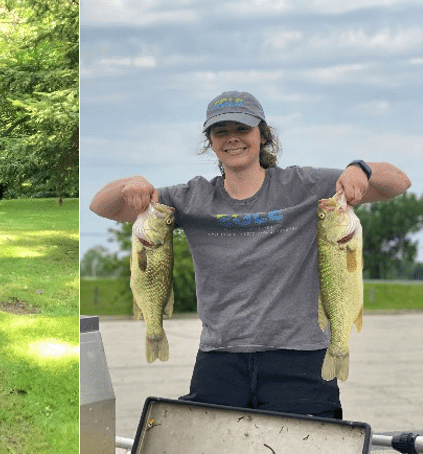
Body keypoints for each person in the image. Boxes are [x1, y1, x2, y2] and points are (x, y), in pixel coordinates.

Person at [89, 91, 411, 419]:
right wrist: (133, 182)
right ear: (211, 143)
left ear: (263, 135)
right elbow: (101, 206)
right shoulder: (192, 197)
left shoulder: (306, 185)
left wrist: (361, 169)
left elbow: (398, 183)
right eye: (220, 132)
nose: (232, 139)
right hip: (220, 359)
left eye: (242, 129)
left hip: (301, 359)